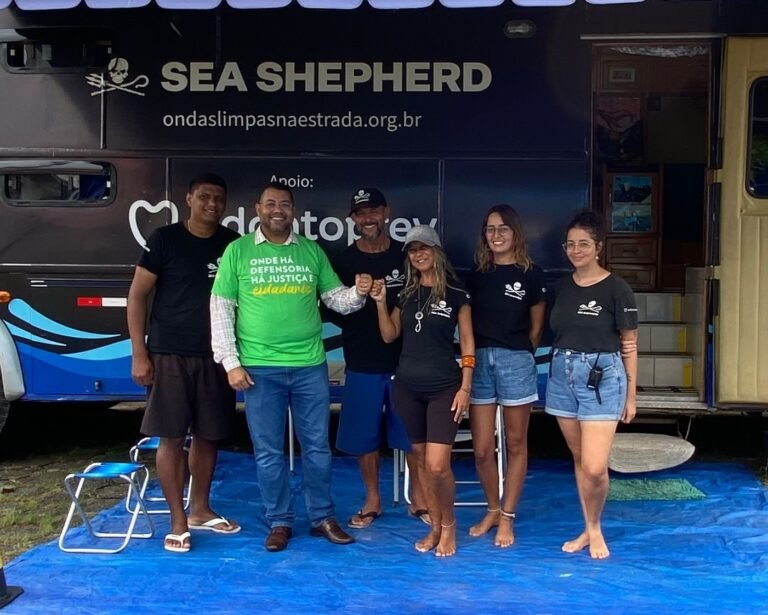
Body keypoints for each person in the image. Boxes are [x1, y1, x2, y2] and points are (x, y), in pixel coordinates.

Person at [210, 181, 372, 553]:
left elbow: (335, 299)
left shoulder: (311, 251)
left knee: (317, 448)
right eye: (270, 203)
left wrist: (359, 293)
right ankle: (279, 521)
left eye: (284, 204)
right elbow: (220, 310)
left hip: (309, 365)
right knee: (269, 452)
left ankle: (322, 518)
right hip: (258, 368)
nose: (277, 210)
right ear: (257, 208)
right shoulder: (238, 251)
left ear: (293, 210)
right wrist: (231, 363)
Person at [127, 173, 241, 554]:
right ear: (189, 199)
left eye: (218, 198)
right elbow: (137, 296)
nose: (212, 204)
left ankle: (200, 510)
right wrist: (139, 353)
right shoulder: (164, 240)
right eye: (204, 196)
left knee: (209, 435)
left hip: (217, 355)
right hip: (169, 354)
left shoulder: (233, 245)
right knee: (171, 437)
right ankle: (177, 520)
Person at [370, 225, 474, 558]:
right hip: (408, 387)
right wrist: (379, 303)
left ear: (437, 251)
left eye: (424, 248)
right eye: (413, 250)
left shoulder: (457, 293)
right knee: (421, 462)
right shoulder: (406, 294)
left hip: (445, 387)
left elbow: (468, 343)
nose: (419, 254)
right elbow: (389, 335)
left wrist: (466, 387)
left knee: (438, 465)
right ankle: (434, 527)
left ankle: (449, 526)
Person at [328, 188, 428, 529]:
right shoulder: (343, 261)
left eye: (373, 211)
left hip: (406, 362)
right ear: (352, 219)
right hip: (362, 361)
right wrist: (358, 297)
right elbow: (334, 309)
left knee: (413, 436)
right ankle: (373, 499)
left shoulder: (405, 256)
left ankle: (419, 499)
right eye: (361, 213)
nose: (367, 218)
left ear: (386, 212)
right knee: (365, 439)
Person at [544, 211, 638, 559]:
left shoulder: (617, 289)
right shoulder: (561, 287)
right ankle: (588, 527)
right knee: (580, 458)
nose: (576, 250)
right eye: (570, 244)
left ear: (598, 247)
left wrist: (631, 395)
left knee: (596, 468)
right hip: (562, 375)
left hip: (602, 377)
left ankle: (595, 528)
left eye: (583, 244)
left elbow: (629, 344)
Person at [465, 205, 546, 548]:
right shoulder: (476, 274)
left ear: (515, 232)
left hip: (516, 360)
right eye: (490, 229)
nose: (496, 235)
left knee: (515, 443)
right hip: (480, 361)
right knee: (482, 449)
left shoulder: (532, 274)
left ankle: (508, 517)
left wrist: (521, 353)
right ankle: (493, 509)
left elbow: (537, 327)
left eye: (502, 229)